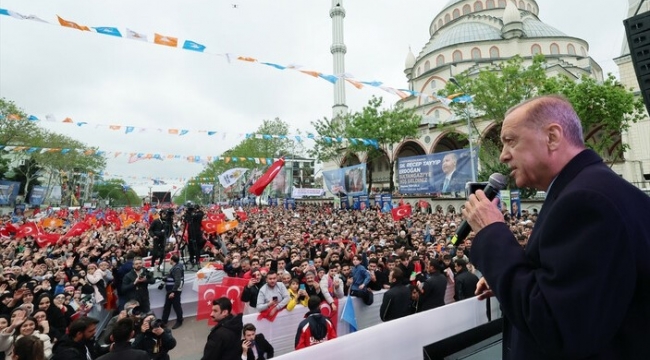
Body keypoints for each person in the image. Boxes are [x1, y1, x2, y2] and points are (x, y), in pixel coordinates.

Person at [462, 95, 650, 359]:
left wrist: (492, 231)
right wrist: (506, 277)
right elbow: (583, 288)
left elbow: (557, 324)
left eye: (510, 141)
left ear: (552, 137)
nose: (503, 156)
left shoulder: (587, 201)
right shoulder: (594, 188)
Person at [161, 255, 184, 329]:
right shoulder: (175, 268)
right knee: (167, 306)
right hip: (171, 290)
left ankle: (179, 320)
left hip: (174, 291)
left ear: (172, 260)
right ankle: (164, 322)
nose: (169, 261)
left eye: (170, 259)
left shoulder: (177, 269)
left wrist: (173, 292)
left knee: (176, 306)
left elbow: (177, 281)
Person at [183, 202, 204, 269]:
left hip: (197, 233)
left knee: (197, 248)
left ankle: (198, 261)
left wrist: (190, 213)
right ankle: (191, 260)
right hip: (190, 233)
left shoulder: (200, 213)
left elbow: (196, 216)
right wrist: (187, 213)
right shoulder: (188, 214)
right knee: (190, 248)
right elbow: (186, 220)